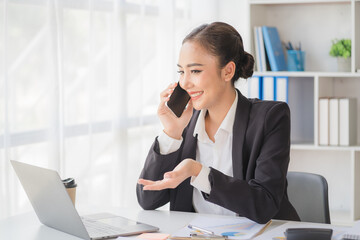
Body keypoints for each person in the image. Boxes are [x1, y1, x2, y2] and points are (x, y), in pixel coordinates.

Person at [136, 22, 300, 224]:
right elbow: (147, 199)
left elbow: (264, 204)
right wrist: (171, 133)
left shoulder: (270, 118)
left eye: (195, 71)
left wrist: (198, 172)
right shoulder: (183, 124)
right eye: (181, 72)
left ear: (228, 71)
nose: (185, 83)